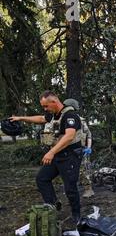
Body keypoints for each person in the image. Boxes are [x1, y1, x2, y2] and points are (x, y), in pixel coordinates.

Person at [9, 91, 83, 225]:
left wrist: (51, 152)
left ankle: (76, 215)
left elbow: (69, 136)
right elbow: (41, 119)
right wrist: (21, 118)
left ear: (54, 102)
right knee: (42, 178)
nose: (45, 109)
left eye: (46, 106)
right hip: (57, 155)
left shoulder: (70, 116)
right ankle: (53, 205)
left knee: (70, 188)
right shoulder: (54, 115)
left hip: (70, 156)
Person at [63, 98, 94, 198]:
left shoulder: (80, 120)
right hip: (66, 150)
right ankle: (70, 189)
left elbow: (88, 134)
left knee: (84, 170)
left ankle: (88, 190)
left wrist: (88, 148)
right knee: (67, 171)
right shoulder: (61, 120)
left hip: (81, 149)